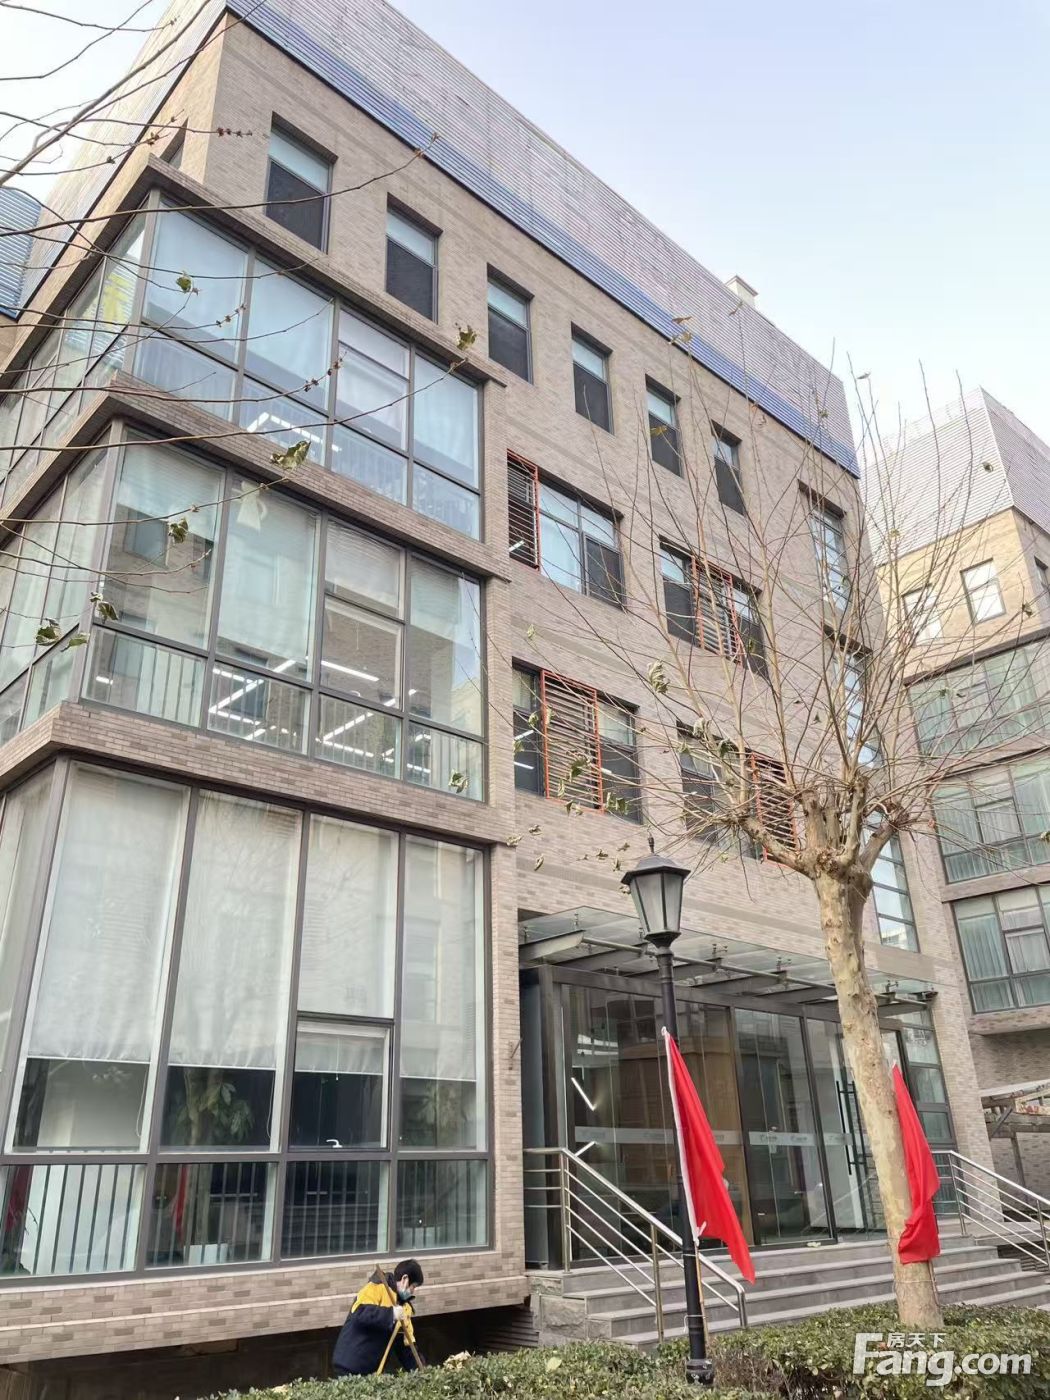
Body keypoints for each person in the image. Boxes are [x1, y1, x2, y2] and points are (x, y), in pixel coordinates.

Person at [332, 1260, 424, 1376]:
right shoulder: (377, 1286)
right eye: (413, 1286)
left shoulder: (405, 1309)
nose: (413, 1291)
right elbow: (359, 1313)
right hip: (349, 1365)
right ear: (405, 1279)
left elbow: (406, 1346)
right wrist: (391, 1314)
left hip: (372, 1372)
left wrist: (422, 1372)